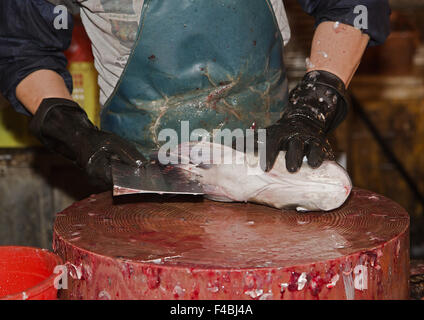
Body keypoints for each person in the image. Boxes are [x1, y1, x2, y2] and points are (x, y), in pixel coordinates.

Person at [0, 0, 391, 187]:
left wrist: (312, 108)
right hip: (141, 170)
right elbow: (23, 47)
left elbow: (351, 5)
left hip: (271, 162)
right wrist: (75, 133)